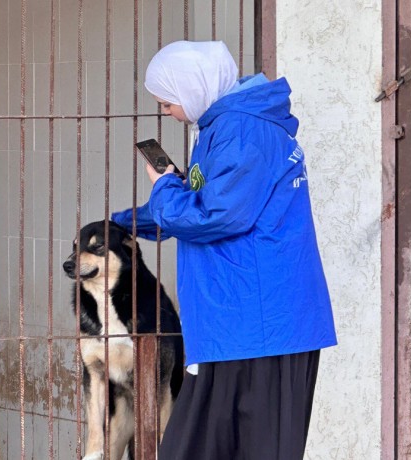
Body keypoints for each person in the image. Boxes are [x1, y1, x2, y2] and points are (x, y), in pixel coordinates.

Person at [111, 41, 337, 459]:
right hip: (239, 325)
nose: (165, 111)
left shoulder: (242, 129)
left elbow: (216, 215)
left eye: (166, 101)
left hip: (258, 325)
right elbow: (205, 203)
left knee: (234, 448)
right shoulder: (227, 127)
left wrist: (162, 187)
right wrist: (123, 221)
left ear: (193, 87)